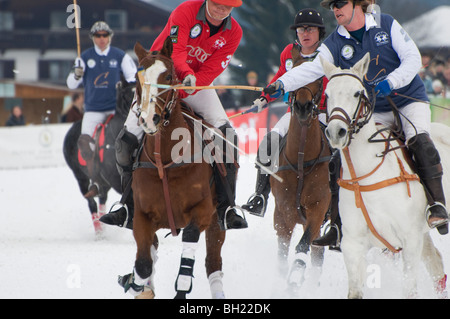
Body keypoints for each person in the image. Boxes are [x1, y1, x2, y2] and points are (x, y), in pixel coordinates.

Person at [265, 0, 449, 245]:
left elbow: (413, 59)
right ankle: (338, 225)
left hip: (408, 100)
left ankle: (437, 205)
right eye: (333, 6)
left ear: (357, 5)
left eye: (341, 3)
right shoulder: (334, 42)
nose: (336, 9)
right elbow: (312, 69)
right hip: (372, 110)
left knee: (420, 141)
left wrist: (392, 81)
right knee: (341, 156)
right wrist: (282, 84)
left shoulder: (386, 24)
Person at [100, 0, 247, 231]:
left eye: (228, 7)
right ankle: (126, 206)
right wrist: (185, 73)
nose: (222, 10)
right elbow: (176, 50)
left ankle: (227, 207)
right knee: (126, 139)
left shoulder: (234, 32)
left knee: (227, 135)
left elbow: (215, 66)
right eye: (218, 4)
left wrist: (194, 84)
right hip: (159, 79)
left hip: (195, 86)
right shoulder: (186, 11)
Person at [242, 8, 327, 217]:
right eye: (301, 29)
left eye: (311, 29)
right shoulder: (289, 52)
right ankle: (260, 195)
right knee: (269, 141)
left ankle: (336, 208)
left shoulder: (328, 54)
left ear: (320, 32)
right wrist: (265, 98)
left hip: (323, 112)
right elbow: (280, 78)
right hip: (294, 113)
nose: (305, 33)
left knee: (336, 152)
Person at [66, 21, 137, 198]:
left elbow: (133, 78)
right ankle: (95, 180)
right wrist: (77, 74)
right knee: (85, 142)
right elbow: (71, 84)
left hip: (116, 110)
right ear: (93, 38)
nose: (102, 39)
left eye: (105, 35)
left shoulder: (120, 56)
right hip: (93, 110)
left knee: (131, 139)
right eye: (98, 35)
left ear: (110, 37)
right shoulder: (84, 58)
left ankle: (134, 173)